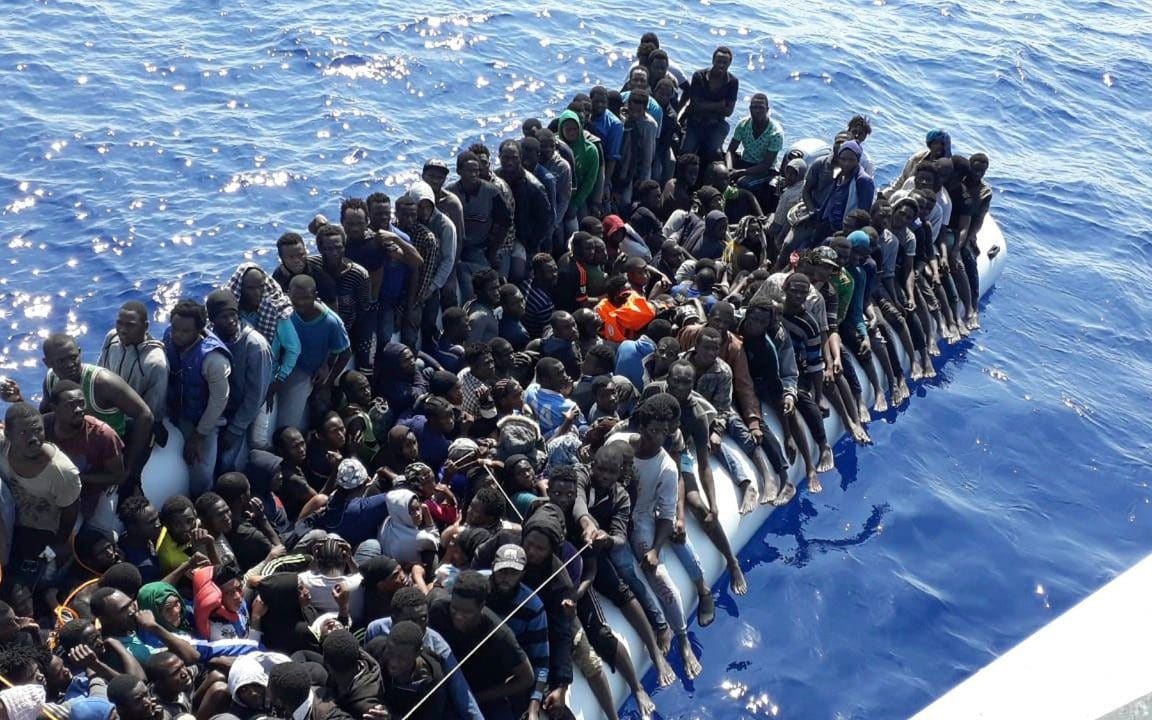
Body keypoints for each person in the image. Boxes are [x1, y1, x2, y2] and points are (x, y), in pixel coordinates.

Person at [1, 333, 154, 495]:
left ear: (80, 352)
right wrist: (19, 401)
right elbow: (43, 420)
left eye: (73, 357)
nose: (69, 365)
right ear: (47, 363)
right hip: (75, 449)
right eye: (61, 361)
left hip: (107, 454)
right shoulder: (51, 380)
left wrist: (130, 468)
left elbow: (145, 415)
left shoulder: (103, 383)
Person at [619, 393, 702, 679]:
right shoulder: (619, 445)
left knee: (665, 585)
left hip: (641, 519)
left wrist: (654, 550)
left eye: (663, 431)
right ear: (641, 426)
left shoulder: (666, 468)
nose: (657, 436)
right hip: (614, 517)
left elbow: (665, 515)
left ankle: (682, 637)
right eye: (652, 429)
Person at [427, 570, 535, 720]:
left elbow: (526, 678)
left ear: (482, 606)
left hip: (482, 695)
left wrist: (479, 698)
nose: (458, 616)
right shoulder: (438, 609)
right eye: (455, 608)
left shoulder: (500, 636)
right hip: (443, 686)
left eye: (467, 612)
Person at [0, 402, 81, 583]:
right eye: (23, 433)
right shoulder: (2, 445)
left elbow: (71, 511)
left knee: (20, 586)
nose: (34, 438)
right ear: (7, 434)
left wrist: (59, 544)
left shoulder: (62, 472)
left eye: (38, 430)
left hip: (40, 530)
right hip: (8, 517)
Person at [162, 299, 231, 496]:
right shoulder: (169, 337)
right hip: (178, 411)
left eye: (185, 331)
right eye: (175, 328)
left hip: (205, 418)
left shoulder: (213, 359)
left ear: (199, 331)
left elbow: (219, 400)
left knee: (200, 473)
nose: (177, 335)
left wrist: (199, 436)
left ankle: (203, 499)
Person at [42, 379, 125, 533]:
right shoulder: (43, 426)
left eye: (81, 403)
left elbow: (118, 476)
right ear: (55, 408)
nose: (79, 409)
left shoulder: (103, 435)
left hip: (90, 493)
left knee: (77, 533)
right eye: (71, 405)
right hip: (52, 491)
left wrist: (77, 479)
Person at [205, 290, 273, 472]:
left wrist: (235, 430)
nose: (230, 321)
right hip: (222, 408)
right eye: (223, 317)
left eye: (233, 315)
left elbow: (255, 396)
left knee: (225, 462)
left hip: (246, 409)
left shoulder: (255, 346)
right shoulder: (209, 338)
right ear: (212, 320)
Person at [283, 274, 352, 432]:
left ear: (315, 295)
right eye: (296, 299)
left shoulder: (331, 322)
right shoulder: (285, 311)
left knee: (320, 410)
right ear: (288, 294)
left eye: (306, 298)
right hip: (290, 366)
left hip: (312, 374)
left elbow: (345, 353)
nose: (300, 304)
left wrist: (328, 381)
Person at [96, 300, 169, 448]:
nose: (122, 330)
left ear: (146, 327)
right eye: (119, 323)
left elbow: (151, 409)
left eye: (130, 325)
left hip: (132, 421)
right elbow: (99, 372)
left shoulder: (155, 362)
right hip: (105, 413)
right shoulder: (111, 338)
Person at [447, 151, 512, 301]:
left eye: (476, 170)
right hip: (456, 246)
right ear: (459, 171)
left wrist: (493, 250)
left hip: (478, 247)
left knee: (487, 280)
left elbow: (505, 222)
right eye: (469, 171)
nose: (474, 174)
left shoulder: (491, 192)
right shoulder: (450, 192)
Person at [681, 46, 738, 163]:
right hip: (695, 122)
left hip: (716, 124)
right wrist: (718, 105)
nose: (721, 65)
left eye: (725, 62)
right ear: (713, 61)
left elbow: (728, 112)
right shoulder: (699, 76)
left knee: (713, 152)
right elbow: (695, 105)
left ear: (730, 64)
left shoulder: (733, 82)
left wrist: (705, 105)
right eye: (718, 61)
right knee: (686, 151)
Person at [728, 93, 784, 185]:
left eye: (761, 108)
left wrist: (740, 172)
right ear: (750, 109)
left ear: (767, 110)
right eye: (754, 107)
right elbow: (730, 150)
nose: (757, 111)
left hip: (765, 171)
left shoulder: (776, 133)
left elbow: (766, 165)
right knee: (718, 170)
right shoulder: (743, 124)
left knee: (743, 183)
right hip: (745, 163)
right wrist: (729, 170)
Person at [464, 268, 501, 344]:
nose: (497, 293)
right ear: (479, 292)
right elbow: (470, 347)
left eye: (497, 287)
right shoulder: (480, 317)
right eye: (492, 289)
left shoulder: (485, 308)